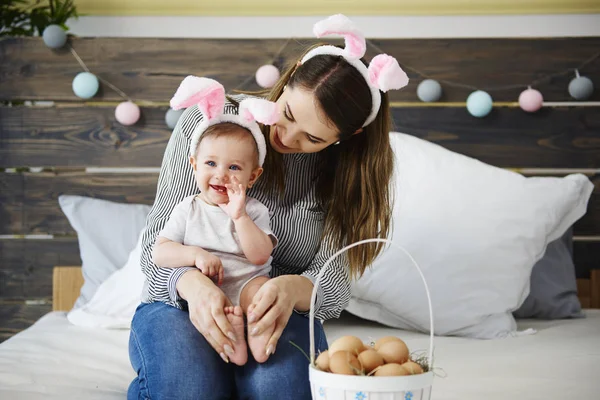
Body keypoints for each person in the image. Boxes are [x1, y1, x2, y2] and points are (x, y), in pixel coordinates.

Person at [128, 13, 409, 399]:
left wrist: (291, 289)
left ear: (349, 136)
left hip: (275, 308)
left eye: (312, 137)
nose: (287, 138)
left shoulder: (347, 173)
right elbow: (154, 247)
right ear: (290, 75)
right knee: (190, 388)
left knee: (280, 389)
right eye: (288, 114)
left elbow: (335, 282)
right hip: (178, 299)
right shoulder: (212, 122)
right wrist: (191, 283)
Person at [151, 77, 281, 366]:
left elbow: (260, 254)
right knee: (214, 309)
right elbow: (160, 252)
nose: (221, 174)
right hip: (207, 292)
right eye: (211, 164)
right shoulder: (188, 209)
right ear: (194, 165)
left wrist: (239, 216)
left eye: (234, 167)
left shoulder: (254, 210)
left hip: (248, 282)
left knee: (261, 294)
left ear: (253, 176)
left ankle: (258, 331)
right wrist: (195, 254)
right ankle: (233, 336)